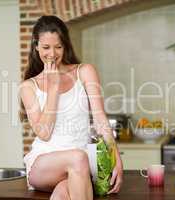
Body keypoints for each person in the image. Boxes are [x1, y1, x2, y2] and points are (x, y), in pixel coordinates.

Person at [19, 15, 123, 200]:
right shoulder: (28, 86)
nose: (52, 54)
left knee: (62, 193)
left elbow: (100, 120)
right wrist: (53, 87)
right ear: (36, 46)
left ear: (65, 45)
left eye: (58, 47)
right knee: (78, 158)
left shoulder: (84, 71)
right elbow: (44, 133)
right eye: (45, 47)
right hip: (44, 164)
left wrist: (116, 159)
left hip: (81, 167)